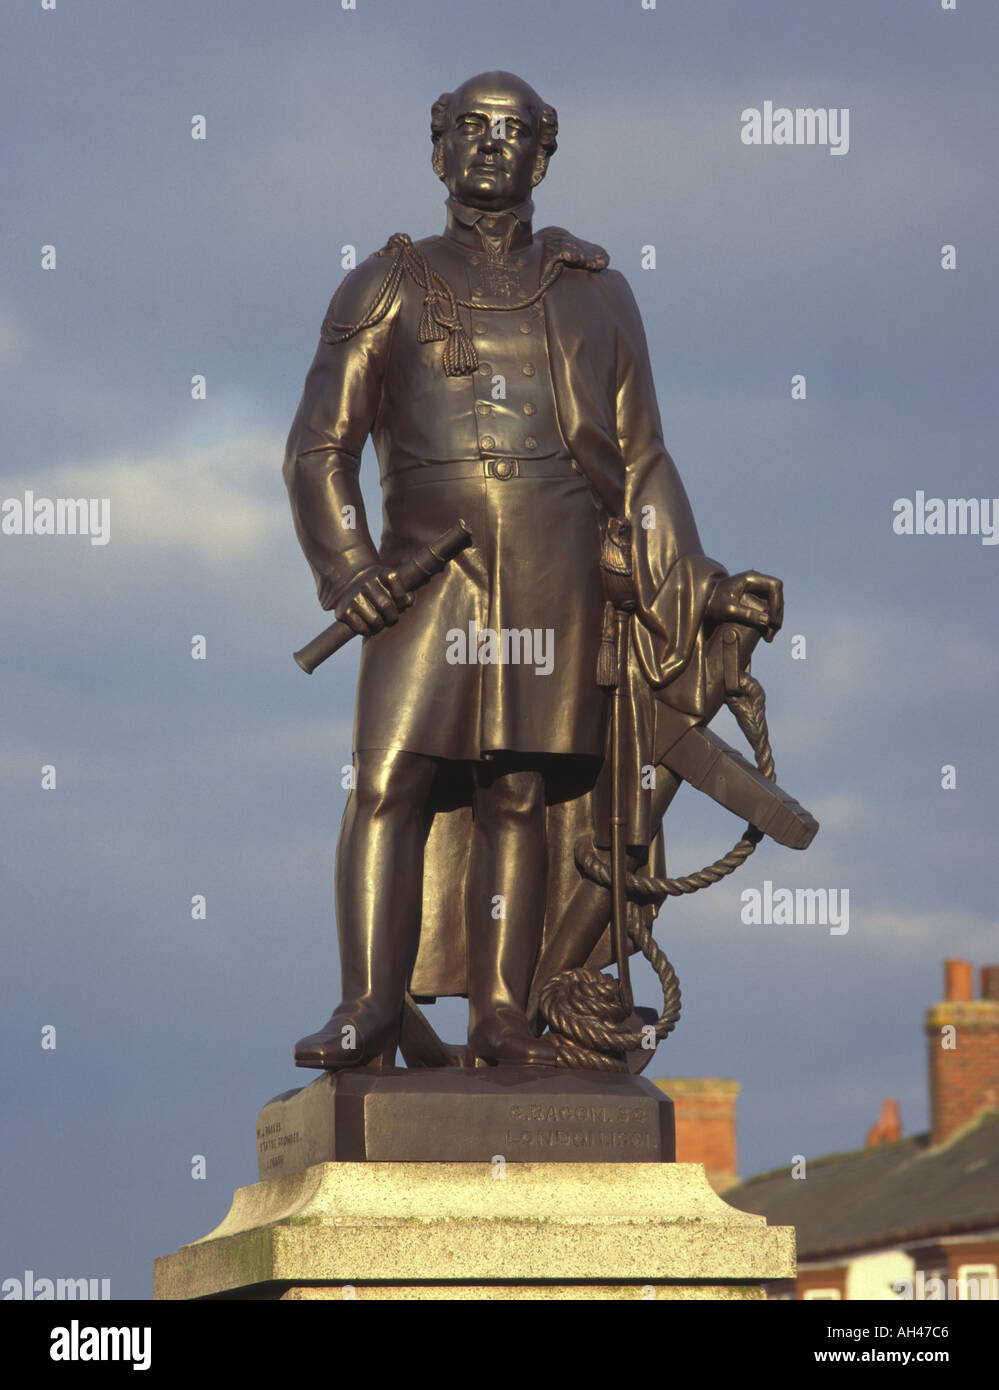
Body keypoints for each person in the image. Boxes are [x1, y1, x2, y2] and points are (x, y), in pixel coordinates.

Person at [283, 71, 781, 1070]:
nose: (492, 147)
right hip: (428, 578)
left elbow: (641, 458)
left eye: (514, 133)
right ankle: (371, 1003)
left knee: (517, 789)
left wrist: (699, 581)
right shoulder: (384, 282)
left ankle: (504, 1015)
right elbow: (315, 449)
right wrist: (347, 569)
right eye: (471, 129)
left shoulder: (596, 292)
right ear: (437, 150)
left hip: (557, 571)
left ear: (544, 155)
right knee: (391, 777)